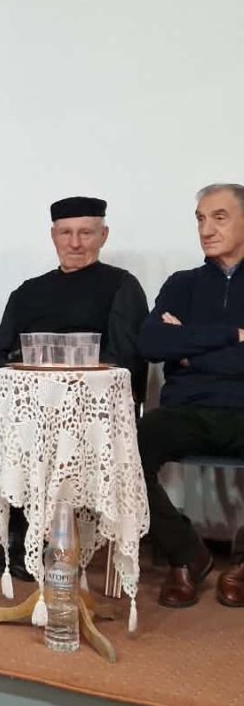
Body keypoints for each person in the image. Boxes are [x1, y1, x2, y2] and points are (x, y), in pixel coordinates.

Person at [0, 196, 148, 579]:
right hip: (27, 404)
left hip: (88, 407)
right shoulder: (29, 291)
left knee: (57, 440)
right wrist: (10, 377)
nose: (75, 243)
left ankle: (47, 536)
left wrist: (67, 381)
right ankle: (18, 528)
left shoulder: (121, 286)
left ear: (103, 235)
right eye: (66, 233)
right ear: (53, 235)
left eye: (86, 233)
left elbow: (127, 358)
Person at [136, 184, 244, 608]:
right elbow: (151, 344)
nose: (206, 229)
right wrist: (232, 336)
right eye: (200, 218)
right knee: (124, 448)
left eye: (219, 217)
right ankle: (187, 553)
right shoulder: (182, 284)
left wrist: (188, 349)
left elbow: (173, 346)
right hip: (187, 409)